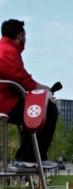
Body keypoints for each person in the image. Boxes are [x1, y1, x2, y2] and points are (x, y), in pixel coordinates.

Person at [0, 19, 58, 168]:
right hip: (4, 103)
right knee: (48, 110)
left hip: (7, 99)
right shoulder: (7, 51)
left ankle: (25, 156)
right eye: (24, 36)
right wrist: (45, 90)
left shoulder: (5, 48)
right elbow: (23, 79)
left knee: (30, 110)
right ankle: (31, 157)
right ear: (20, 35)